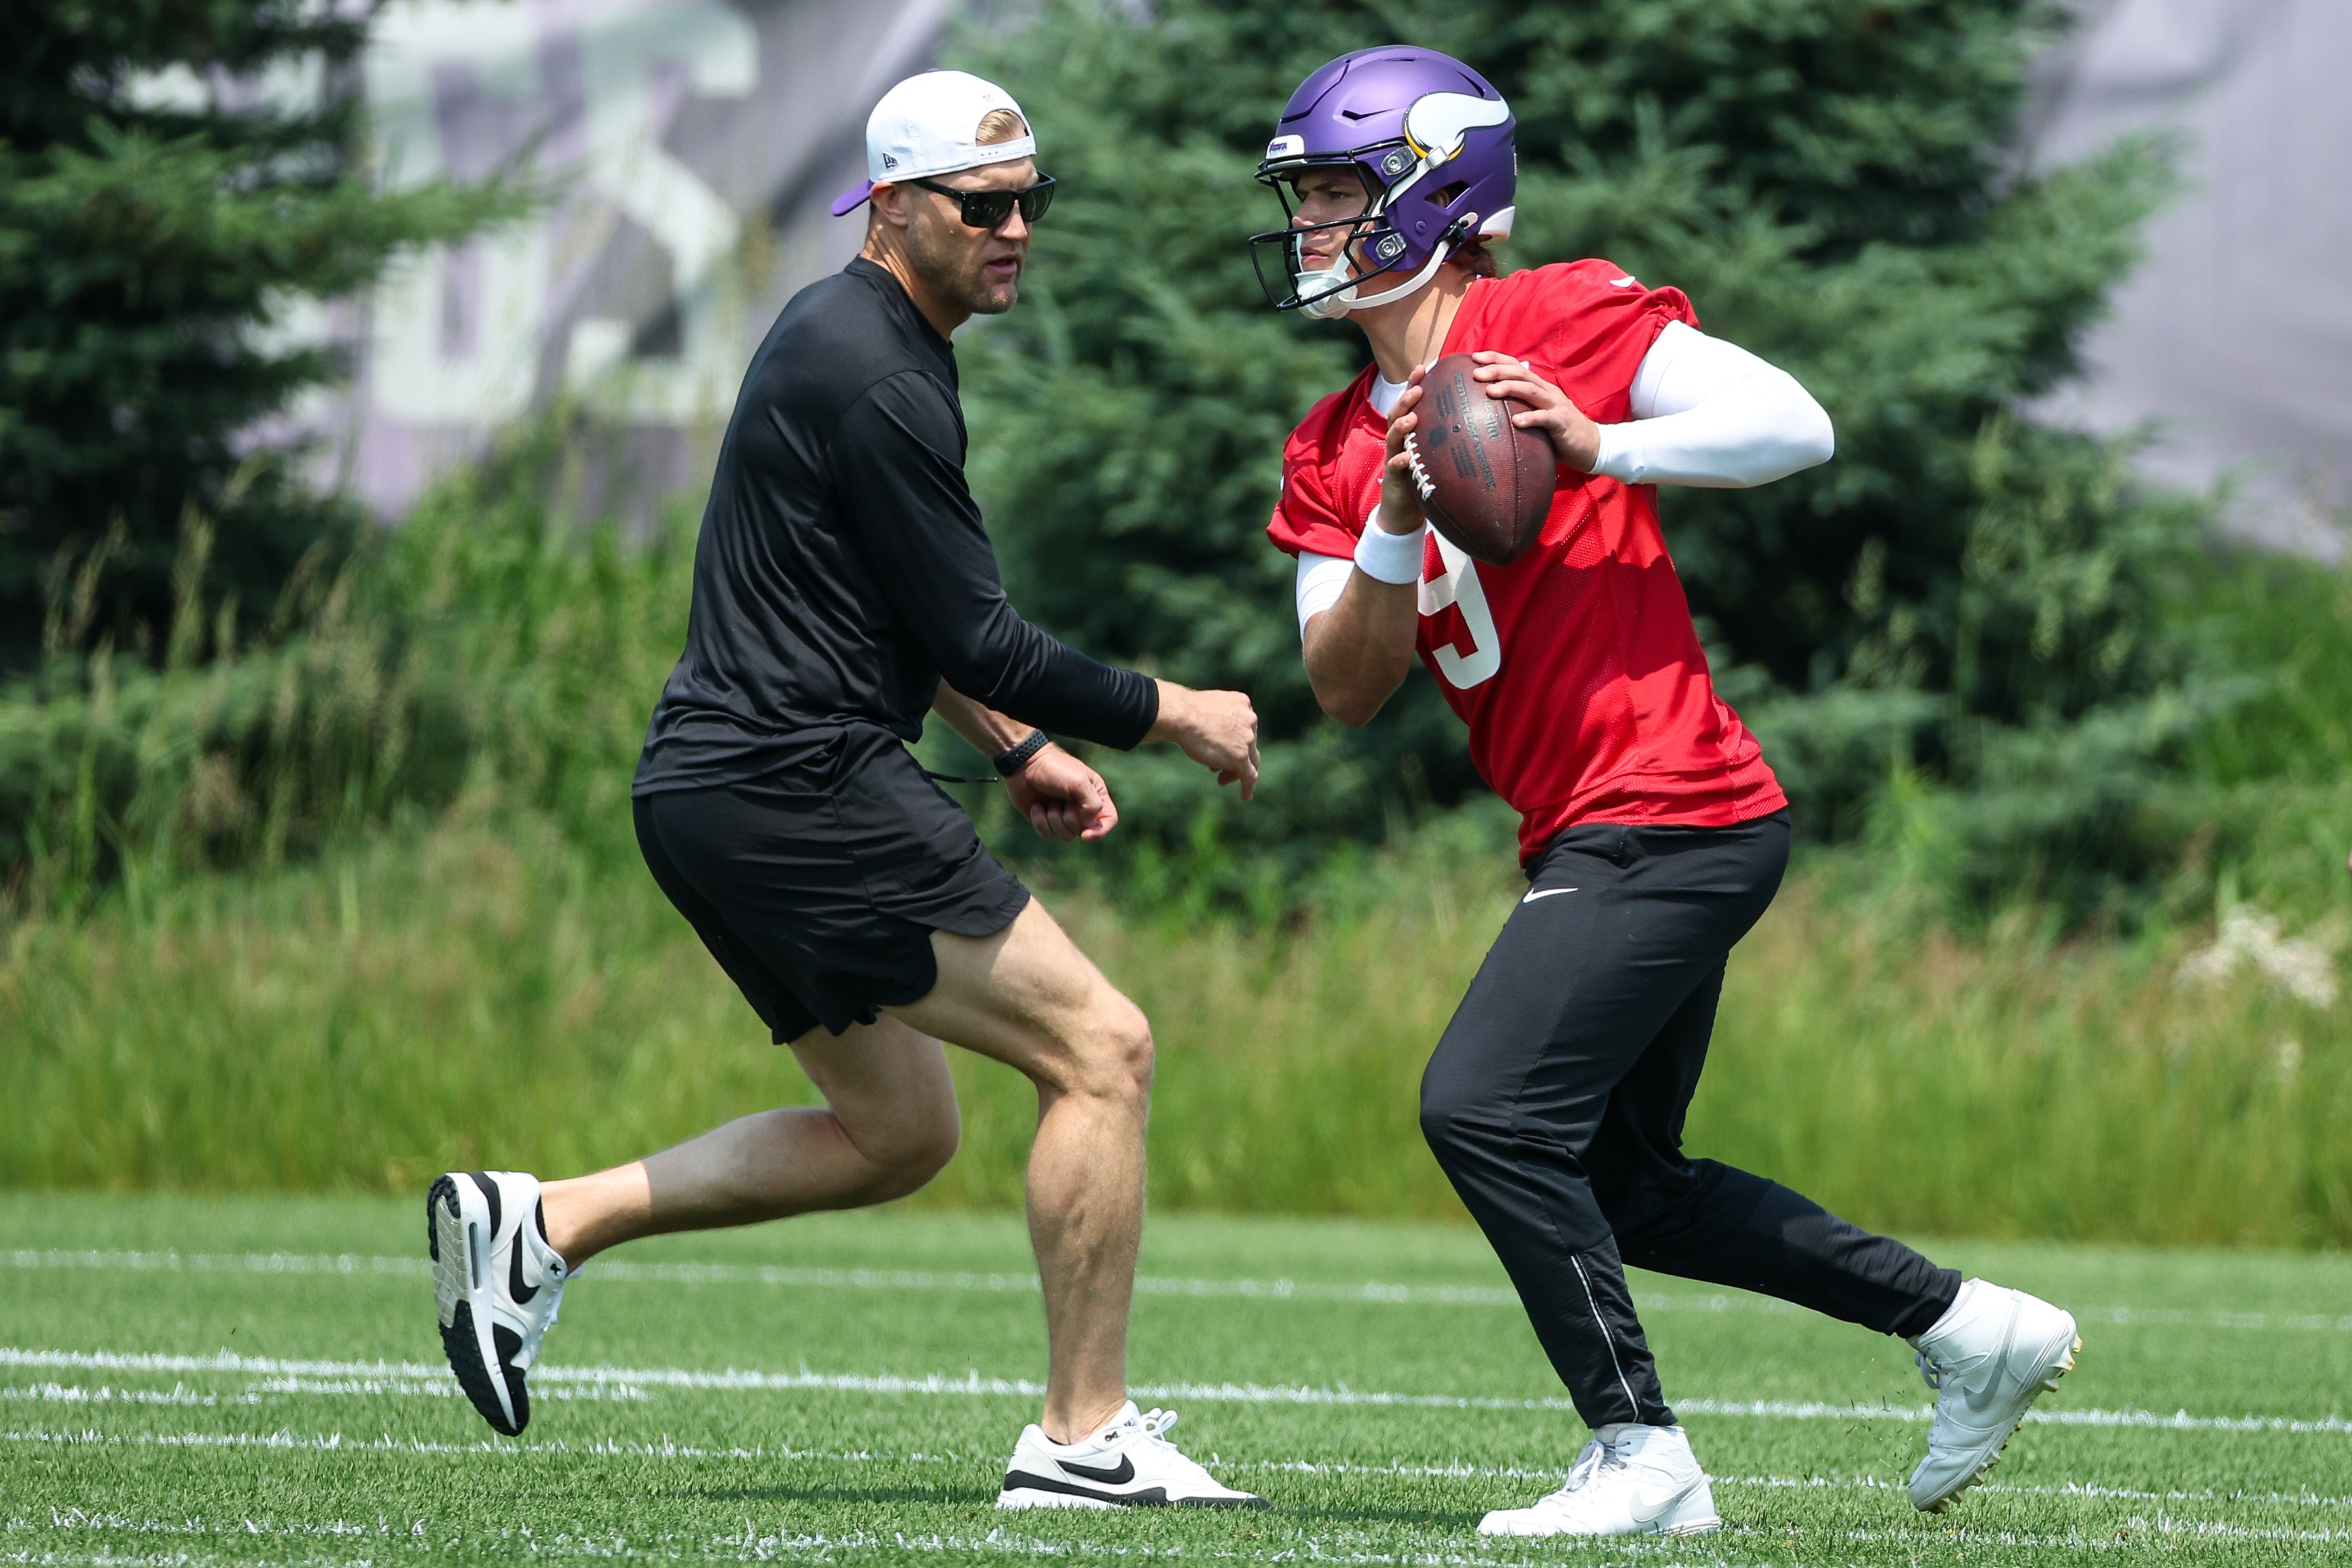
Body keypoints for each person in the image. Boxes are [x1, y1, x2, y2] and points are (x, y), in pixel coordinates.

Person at [1250, 46, 2080, 1539]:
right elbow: (1345, 684)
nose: (1310, 225)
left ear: (1437, 195)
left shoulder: (1549, 317)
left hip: (1674, 806)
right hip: (1592, 826)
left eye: (1334, 192)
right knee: (1625, 1181)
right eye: (1302, 197)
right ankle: (1965, 1327)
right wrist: (1387, 516)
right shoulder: (1328, 444)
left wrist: (1595, 444)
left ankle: (1641, 1454)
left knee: (1485, 1109)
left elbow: (1795, 424)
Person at [427, 69, 1266, 1512]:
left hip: (720, 790)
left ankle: (543, 1224)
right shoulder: (879, 372)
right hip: (795, 785)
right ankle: (1082, 1439)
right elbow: (979, 634)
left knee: (903, 1136)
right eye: (981, 206)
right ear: (890, 207)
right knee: (1103, 1051)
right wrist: (1172, 710)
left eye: (1029, 204)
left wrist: (1011, 747)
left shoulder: (854, 336)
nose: (1014, 230)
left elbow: (886, 607)